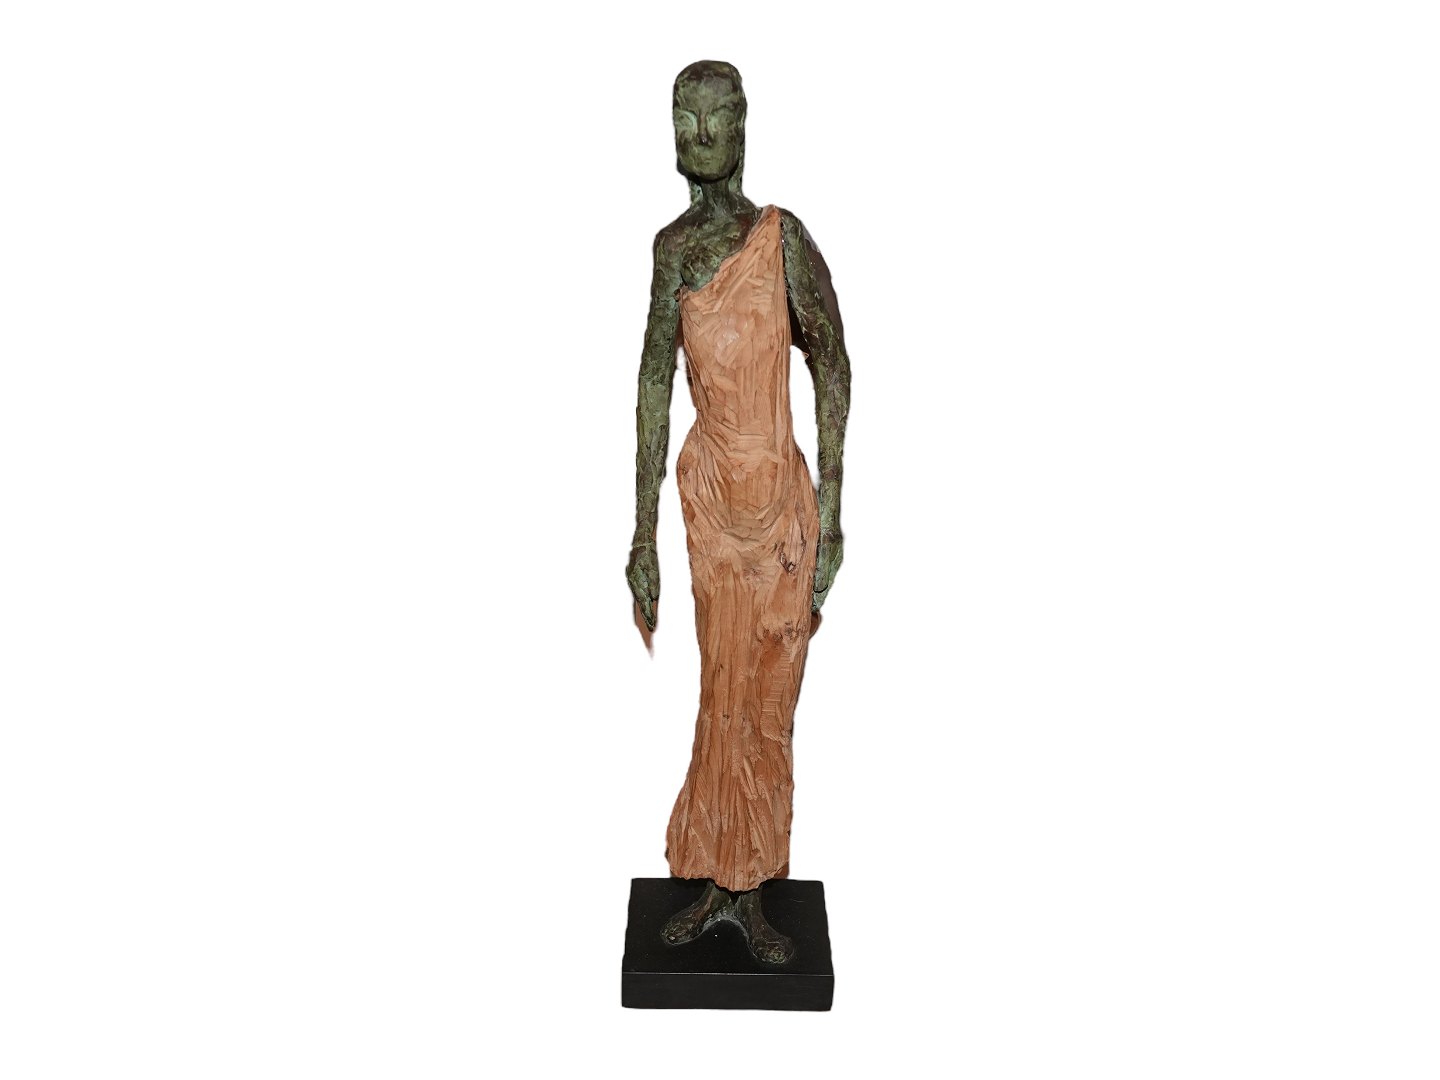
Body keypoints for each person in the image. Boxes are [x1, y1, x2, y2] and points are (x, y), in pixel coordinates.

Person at [625, 60, 851, 964]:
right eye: (685, 116)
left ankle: (754, 888)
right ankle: (719, 880)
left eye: (715, 115)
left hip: (782, 516)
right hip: (714, 506)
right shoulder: (672, 251)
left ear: (744, 123)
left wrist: (834, 509)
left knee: (769, 701)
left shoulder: (780, 238)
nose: (700, 132)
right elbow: (653, 382)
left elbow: (833, 361)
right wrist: (640, 532)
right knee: (722, 693)